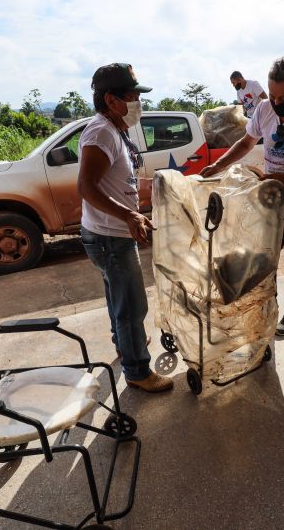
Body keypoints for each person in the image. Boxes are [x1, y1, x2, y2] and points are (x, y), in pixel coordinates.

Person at [202, 57, 284, 336]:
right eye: (272, 95)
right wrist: (219, 165)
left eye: (283, 97)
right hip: (269, 199)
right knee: (264, 260)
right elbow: (245, 142)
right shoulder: (263, 109)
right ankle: (266, 308)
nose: (276, 103)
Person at [77, 63, 173, 392]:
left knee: (119, 298)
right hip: (110, 237)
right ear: (111, 99)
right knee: (132, 304)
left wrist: (148, 194)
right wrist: (129, 216)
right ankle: (137, 370)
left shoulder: (115, 129)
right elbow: (87, 187)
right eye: (131, 96)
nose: (137, 102)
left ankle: (124, 343)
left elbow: (120, 180)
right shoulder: (100, 132)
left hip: (110, 233)